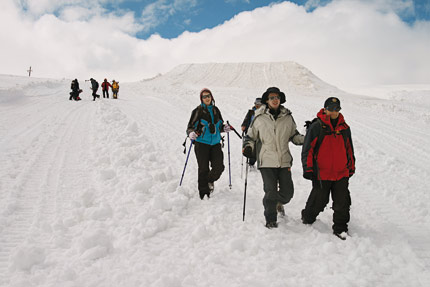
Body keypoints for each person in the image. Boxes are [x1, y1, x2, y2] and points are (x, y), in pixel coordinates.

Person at [243, 87, 304, 228]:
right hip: (266, 161)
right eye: (271, 98)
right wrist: (248, 147)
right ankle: (271, 219)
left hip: (284, 161)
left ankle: (276, 202)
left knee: (287, 193)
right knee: (270, 191)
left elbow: (294, 135)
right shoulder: (259, 117)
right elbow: (250, 137)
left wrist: (306, 139)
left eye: (277, 97)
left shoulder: (287, 117)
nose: (275, 100)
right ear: (267, 100)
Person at [300, 97, 355, 240]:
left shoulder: (344, 128)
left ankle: (341, 228)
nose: (333, 112)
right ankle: (307, 216)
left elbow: (349, 149)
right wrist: (308, 168)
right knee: (319, 201)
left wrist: (351, 167)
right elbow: (308, 149)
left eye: (336, 109)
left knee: (342, 202)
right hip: (321, 173)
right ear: (325, 109)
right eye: (330, 109)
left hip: (341, 172)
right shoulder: (316, 126)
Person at [186, 88, 231, 200]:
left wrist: (224, 128)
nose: (207, 98)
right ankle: (204, 192)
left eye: (208, 96)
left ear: (212, 97)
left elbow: (219, 125)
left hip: (215, 143)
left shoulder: (216, 110)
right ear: (201, 99)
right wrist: (191, 133)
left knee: (219, 167)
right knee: (203, 168)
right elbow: (190, 127)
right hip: (202, 144)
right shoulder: (198, 111)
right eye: (204, 96)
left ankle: (210, 180)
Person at [241, 97, 262, 167]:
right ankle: (251, 162)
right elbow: (246, 120)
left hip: (260, 134)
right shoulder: (251, 112)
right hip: (251, 133)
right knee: (252, 148)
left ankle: (261, 163)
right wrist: (243, 125)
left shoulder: (264, 113)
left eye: (259, 104)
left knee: (260, 149)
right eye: (256, 104)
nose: (257, 105)